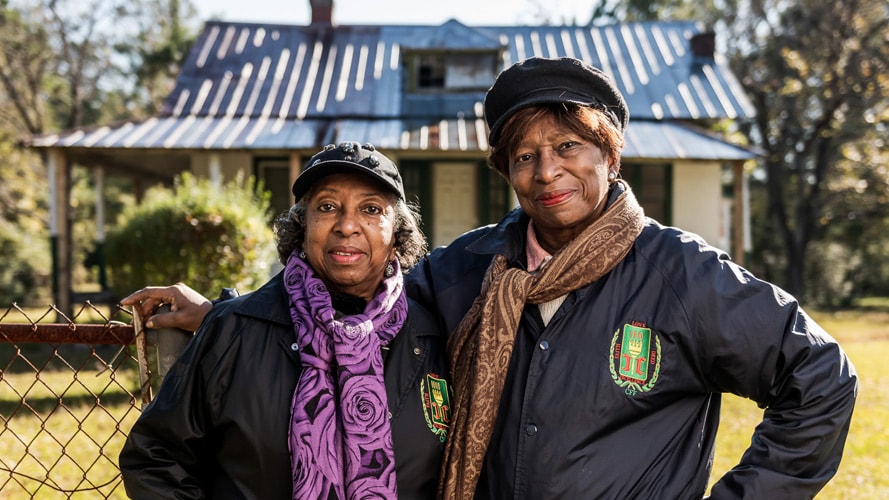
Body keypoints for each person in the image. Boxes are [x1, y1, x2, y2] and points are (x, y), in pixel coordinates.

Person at [123, 57, 858, 499]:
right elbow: (351, 295)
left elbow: (820, 379)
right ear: (504, 169)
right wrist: (223, 313)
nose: (546, 170)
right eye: (523, 154)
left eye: (567, 144)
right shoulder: (471, 268)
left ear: (609, 154)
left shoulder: (681, 275)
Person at [119, 142, 452, 499]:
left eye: (371, 209)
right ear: (301, 227)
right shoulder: (234, 329)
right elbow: (156, 458)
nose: (347, 225)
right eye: (327, 207)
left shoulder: (432, 336)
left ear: (397, 235)